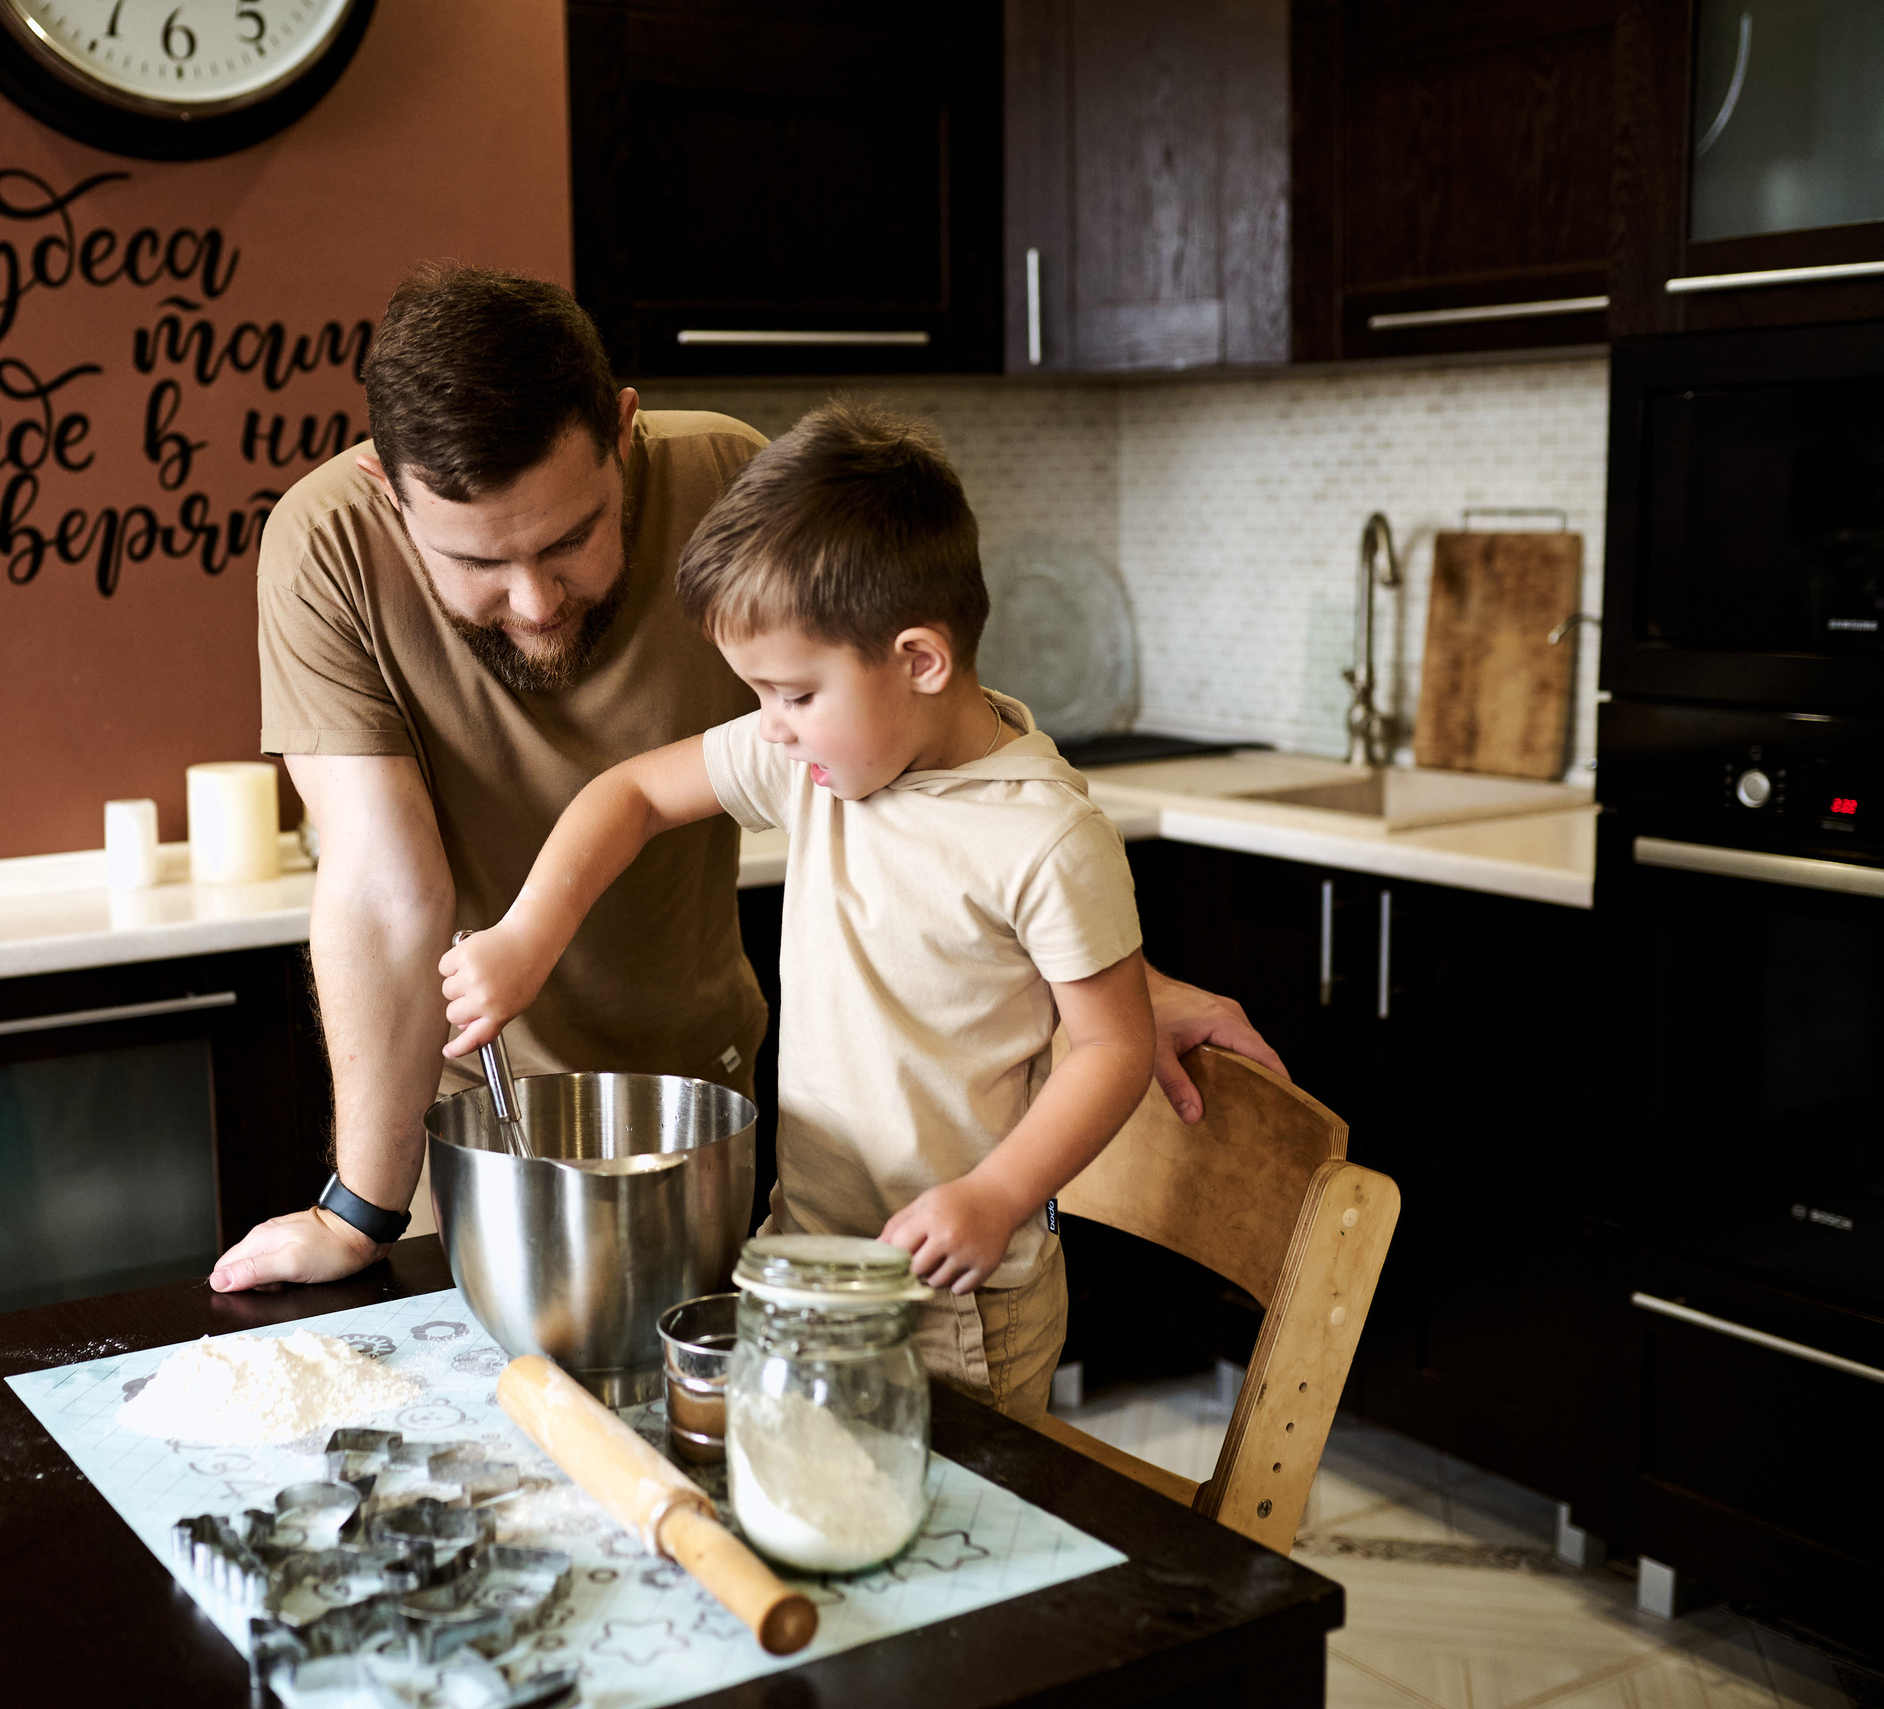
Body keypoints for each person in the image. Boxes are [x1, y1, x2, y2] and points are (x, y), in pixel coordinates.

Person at [209, 264, 1278, 1298]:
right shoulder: (324, 546)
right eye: (480, 565)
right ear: (384, 491)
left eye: (572, 538)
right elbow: (390, 893)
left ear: (624, 432)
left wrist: (1103, 983)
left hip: (711, 1113)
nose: (533, 602)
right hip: (491, 1120)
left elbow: (945, 768)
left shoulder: (730, 479)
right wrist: (359, 1209)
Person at [440, 401, 1151, 1422]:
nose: (768, 727)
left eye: (791, 693)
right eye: (757, 694)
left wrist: (996, 1195)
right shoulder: (819, 760)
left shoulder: (1042, 835)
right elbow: (630, 795)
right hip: (800, 1258)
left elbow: (1110, 1048)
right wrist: (522, 939)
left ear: (919, 659)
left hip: (953, 1306)